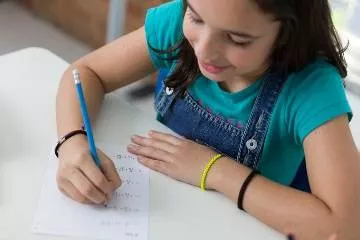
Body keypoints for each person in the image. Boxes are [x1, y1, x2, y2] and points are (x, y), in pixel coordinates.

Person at [54, 0, 360, 239]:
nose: (204, 50)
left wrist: (213, 170)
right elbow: (85, 74)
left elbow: (344, 229)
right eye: (196, 18)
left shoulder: (311, 88)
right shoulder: (178, 22)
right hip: (165, 213)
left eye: (237, 39)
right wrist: (71, 143)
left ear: (288, 32)